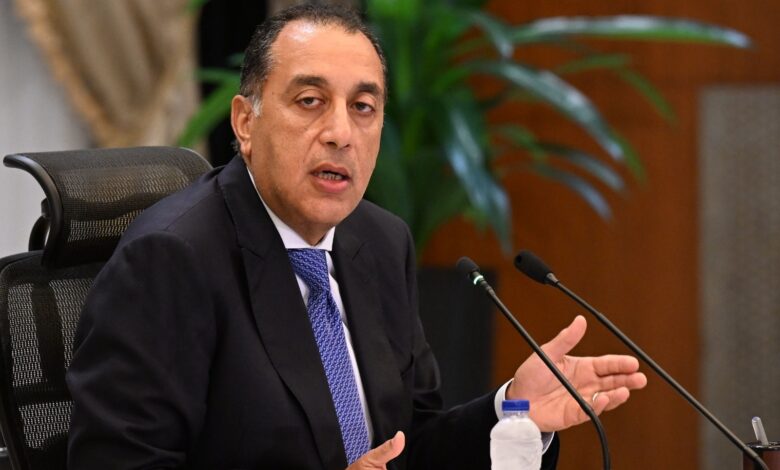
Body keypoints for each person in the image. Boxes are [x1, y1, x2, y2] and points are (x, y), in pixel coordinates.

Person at [66, 4, 647, 469]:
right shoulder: (171, 260)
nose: (340, 132)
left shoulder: (379, 241)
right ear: (245, 122)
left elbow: (410, 444)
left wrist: (513, 410)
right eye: (310, 101)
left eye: (363, 107)